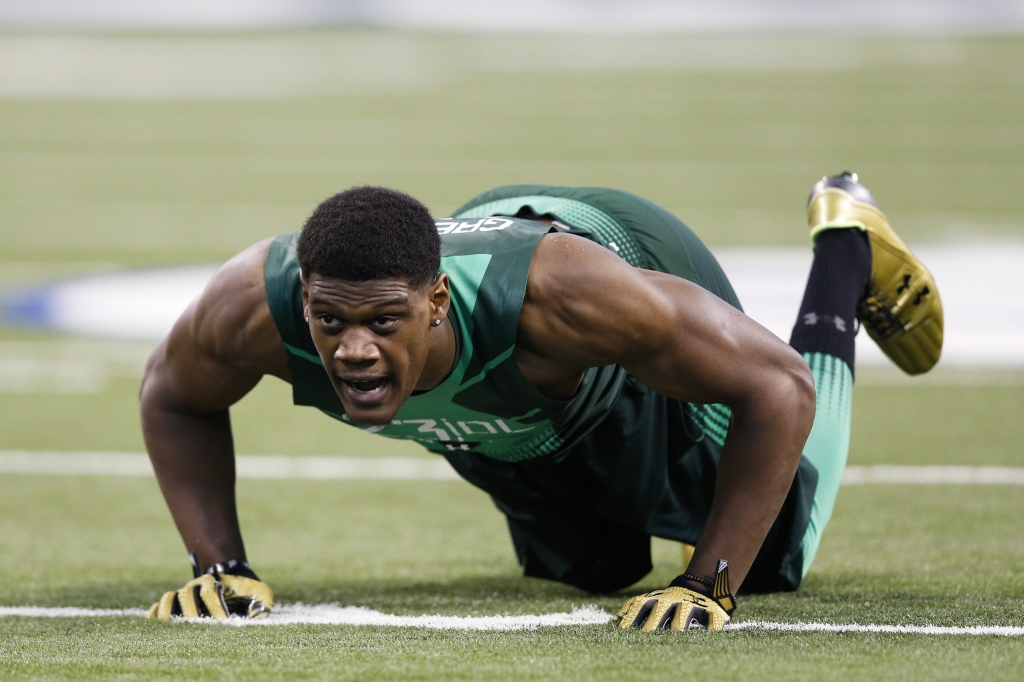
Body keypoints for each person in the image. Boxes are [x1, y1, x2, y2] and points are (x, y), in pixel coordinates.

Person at [141, 174, 942, 630]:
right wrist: (221, 567)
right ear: (304, 300)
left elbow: (777, 384)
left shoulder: (560, 301)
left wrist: (709, 583)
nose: (352, 349)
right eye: (330, 322)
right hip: (521, 420)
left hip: (618, 292)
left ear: (435, 304)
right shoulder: (254, 307)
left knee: (771, 557)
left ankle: (846, 245)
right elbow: (172, 395)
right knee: (601, 574)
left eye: (383, 322)